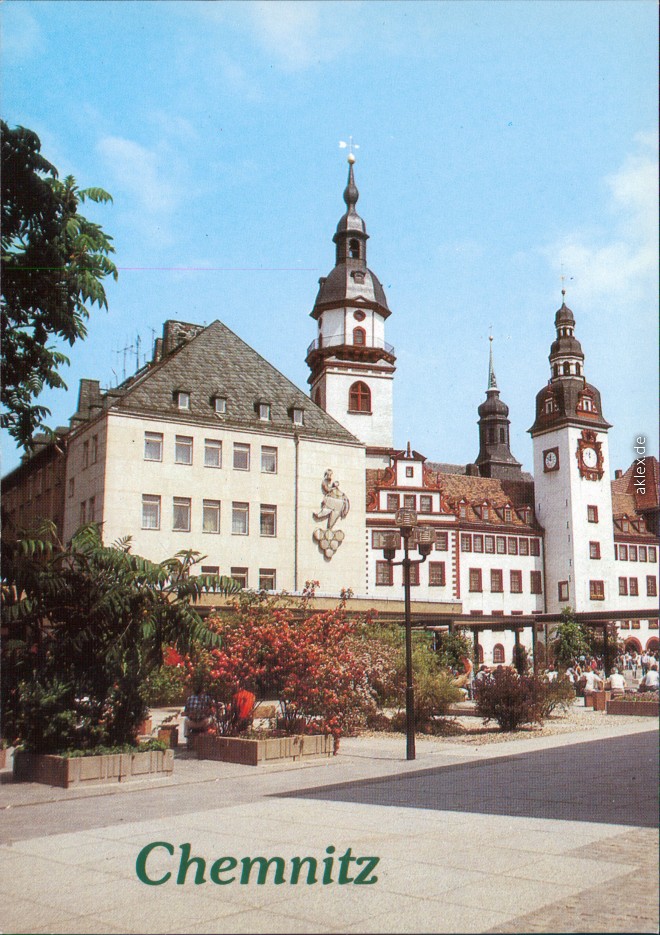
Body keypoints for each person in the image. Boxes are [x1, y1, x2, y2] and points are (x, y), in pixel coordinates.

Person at [184, 675, 214, 742]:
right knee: (212, 719)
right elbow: (212, 710)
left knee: (186, 720)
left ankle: (187, 735)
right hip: (203, 723)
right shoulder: (206, 698)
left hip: (191, 723)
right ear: (202, 690)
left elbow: (186, 712)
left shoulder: (189, 699)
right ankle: (210, 737)